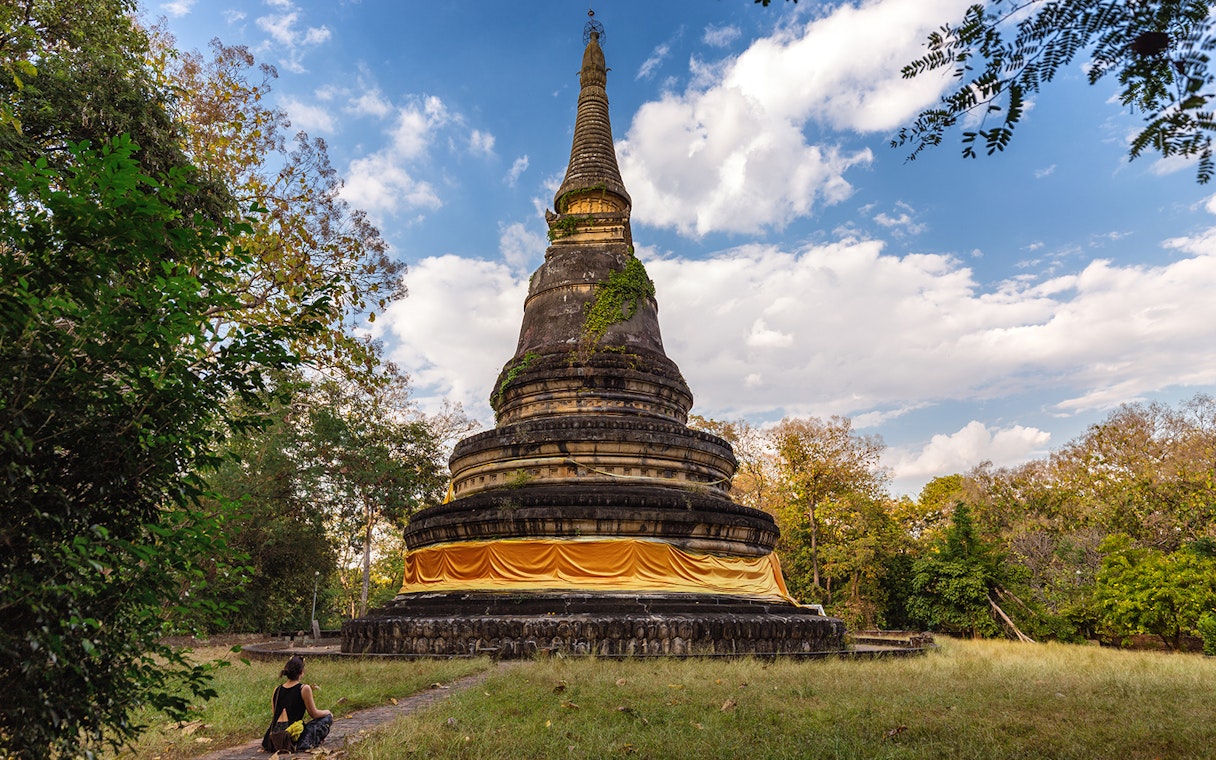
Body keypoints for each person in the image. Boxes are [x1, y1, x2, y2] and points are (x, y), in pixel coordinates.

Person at [261, 655, 333, 752]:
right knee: (326, 718)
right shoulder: (304, 688)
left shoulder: (277, 690)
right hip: (293, 738)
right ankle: (307, 743)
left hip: (271, 740)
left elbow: (275, 715)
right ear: (301, 672)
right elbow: (314, 714)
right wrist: (328, 712)